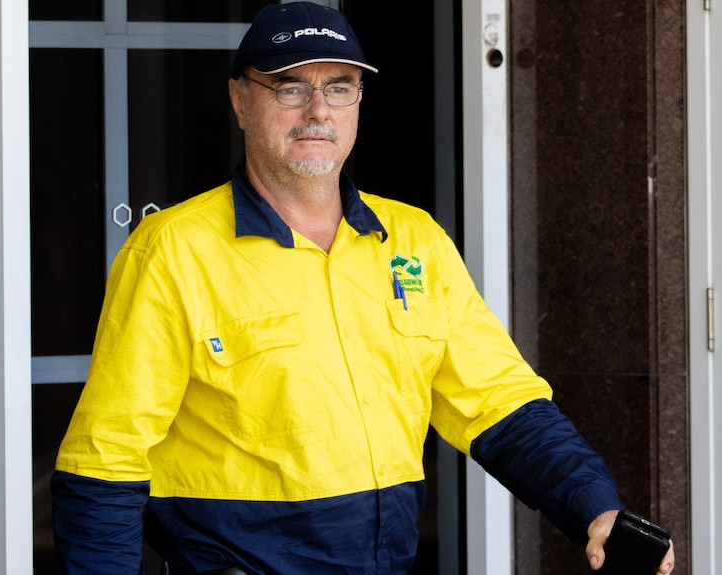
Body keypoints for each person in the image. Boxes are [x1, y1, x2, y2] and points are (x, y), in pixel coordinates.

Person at [51, 3, 676, 575]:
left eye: (338, 87)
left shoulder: (413, 241)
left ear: (356, 104)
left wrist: (593, 506)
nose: (318, 110)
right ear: (241, 101)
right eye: (289, 87)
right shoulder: (172, 251)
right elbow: (104, 461)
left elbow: (498, 402)